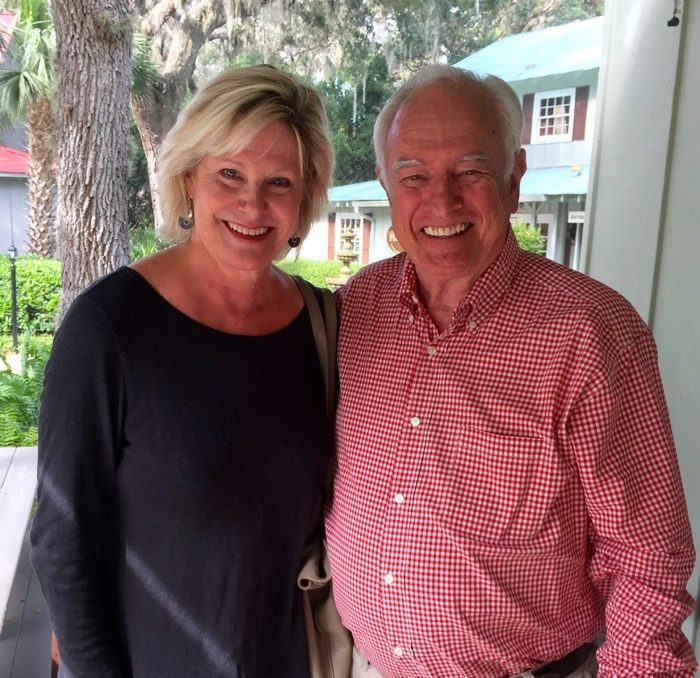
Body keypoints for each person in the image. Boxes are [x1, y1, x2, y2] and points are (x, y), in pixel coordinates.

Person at [325, 64, 697, 678]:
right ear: (388, 187)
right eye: (414, 175)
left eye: (470, 171)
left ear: (515, 178)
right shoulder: (357, 308)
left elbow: (648, 555)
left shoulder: (590, 328)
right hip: (361, 664)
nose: (441, 201)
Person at [31, 64, 334, 678]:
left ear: (303, 199)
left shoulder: (323, 324)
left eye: (279, 181)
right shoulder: (107, 329)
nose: (253, 203)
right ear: (189, 178)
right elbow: (63, 539)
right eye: (229, 173)